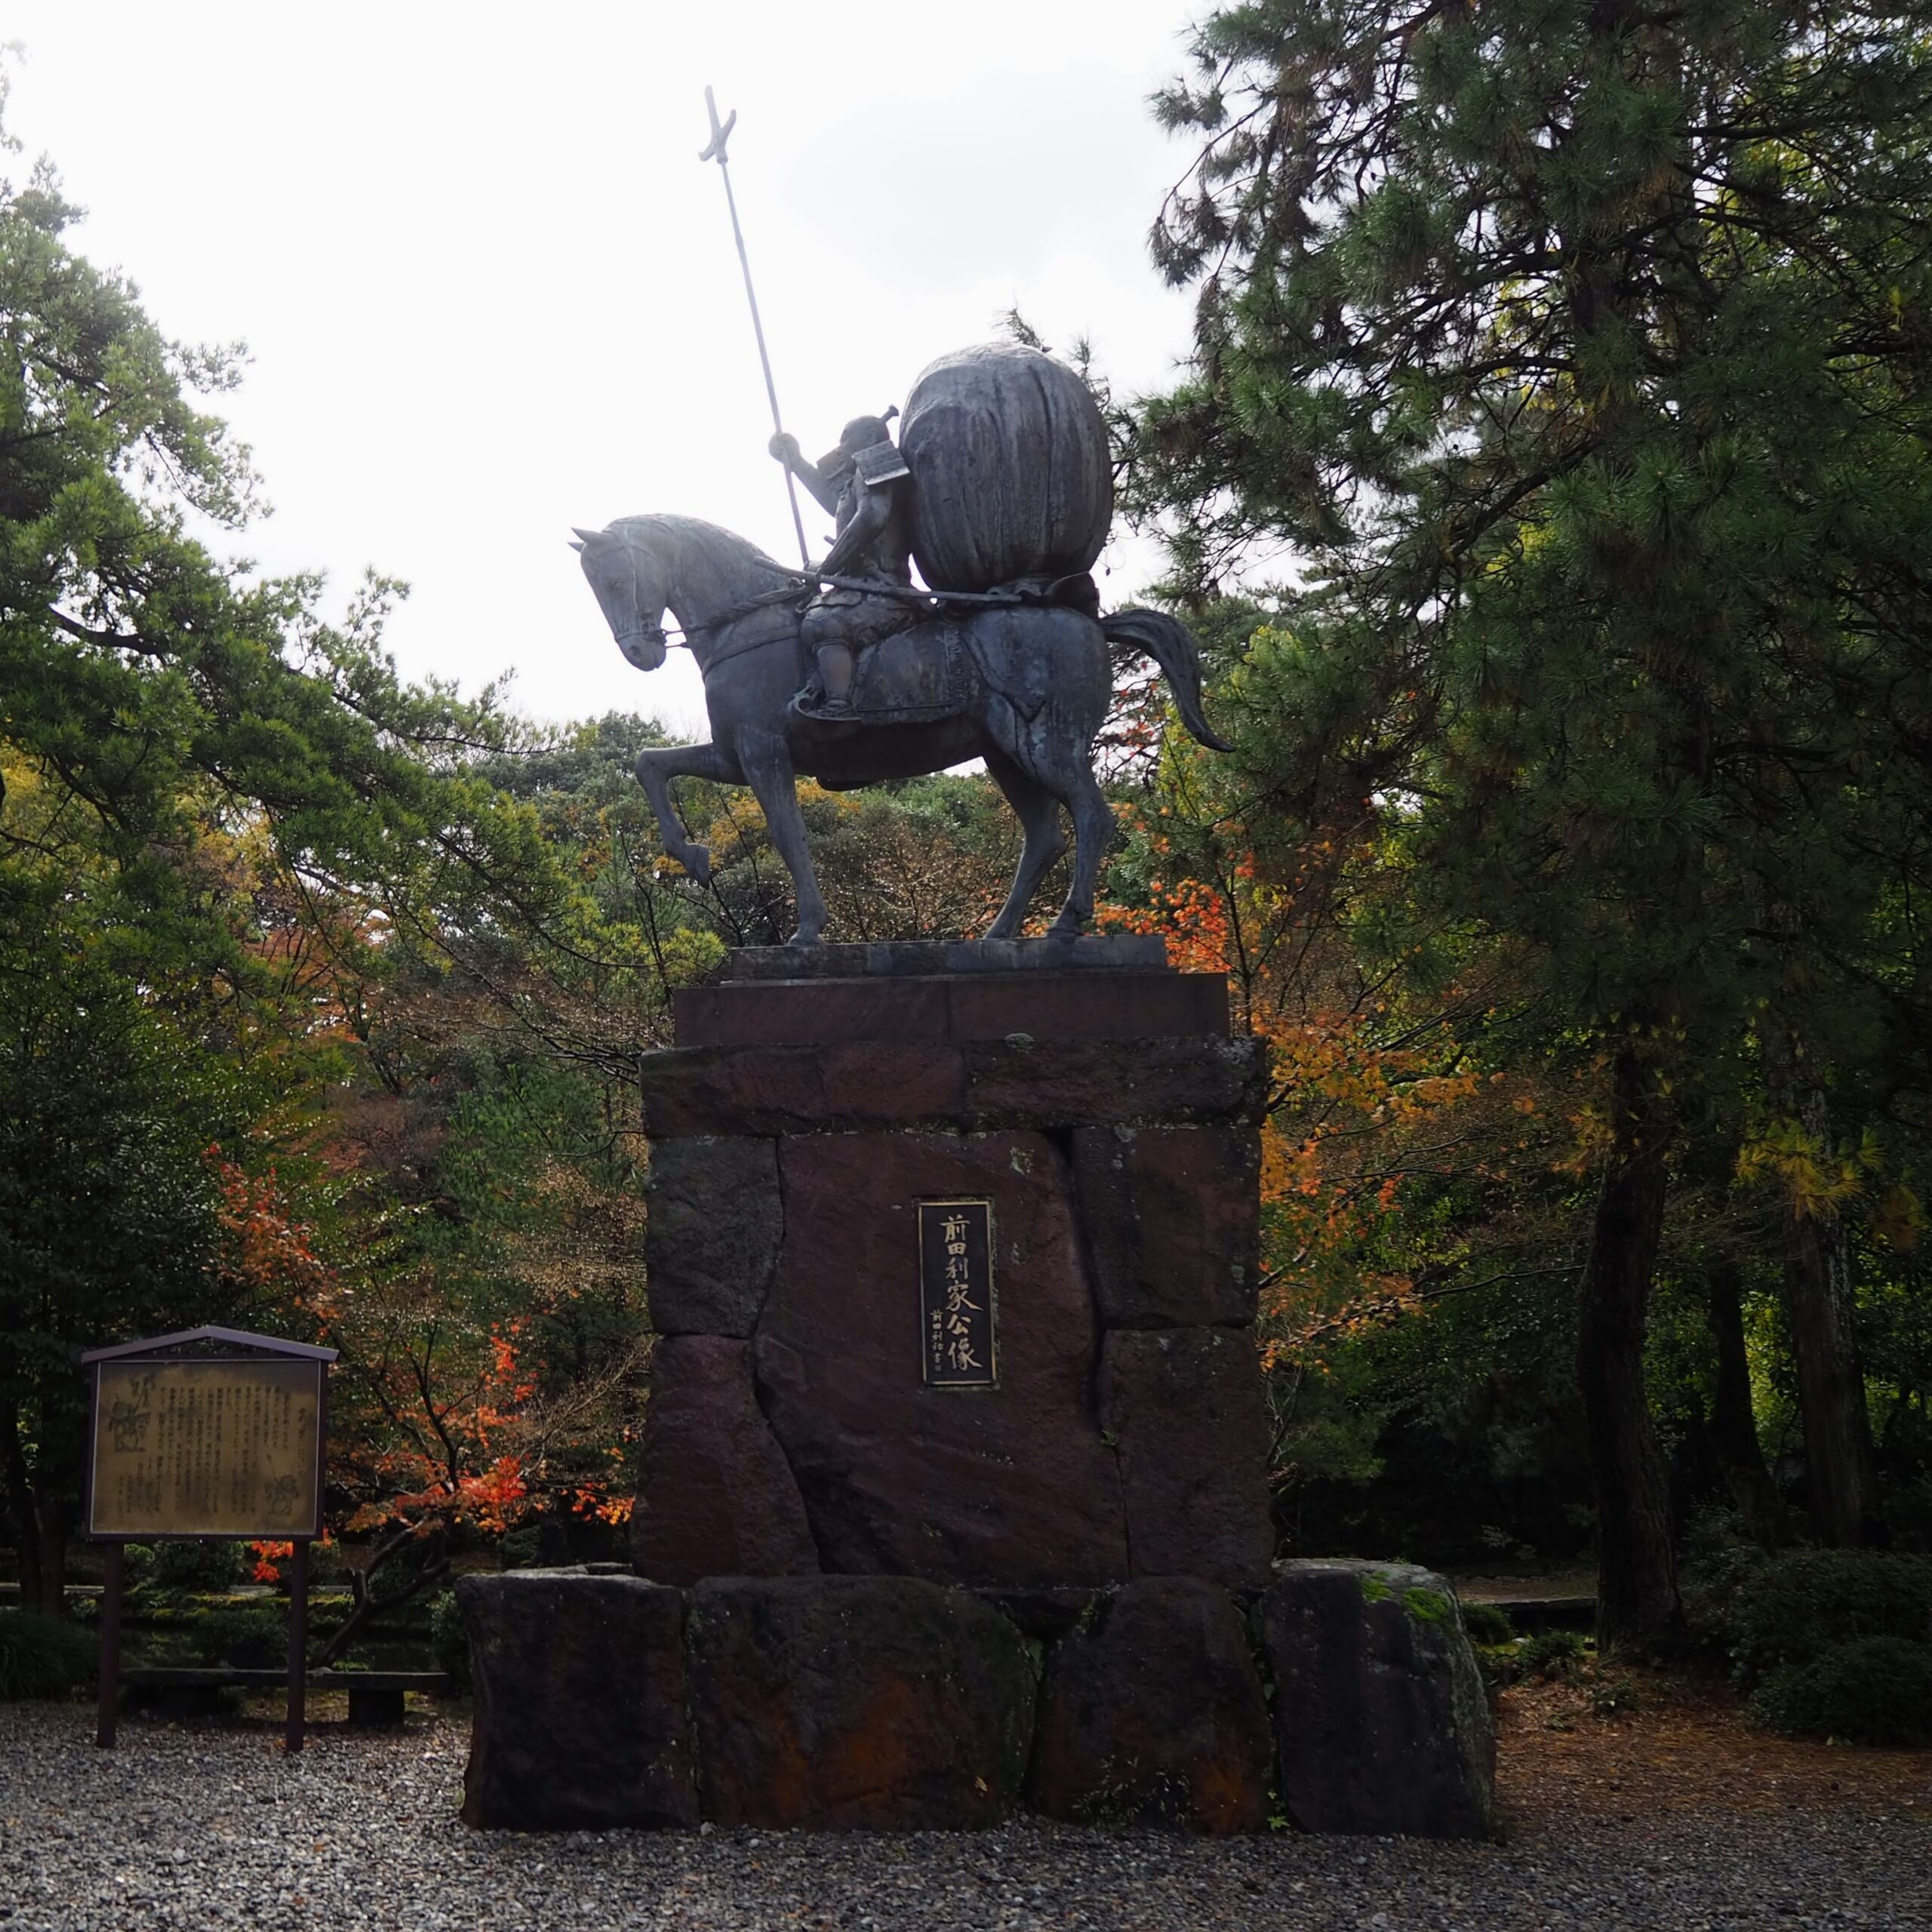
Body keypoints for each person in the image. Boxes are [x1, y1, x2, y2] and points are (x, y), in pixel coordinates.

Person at [769, 411, 918, 718]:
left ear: (872, 438)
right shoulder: (857, 479)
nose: (840, 448)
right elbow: (833, 500)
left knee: (823, 625)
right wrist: (795, 461)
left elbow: (870, 518)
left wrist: (827, 567)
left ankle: (838, 706)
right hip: (859, 588)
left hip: (884, 589)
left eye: (846, 439)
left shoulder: (878, 461)